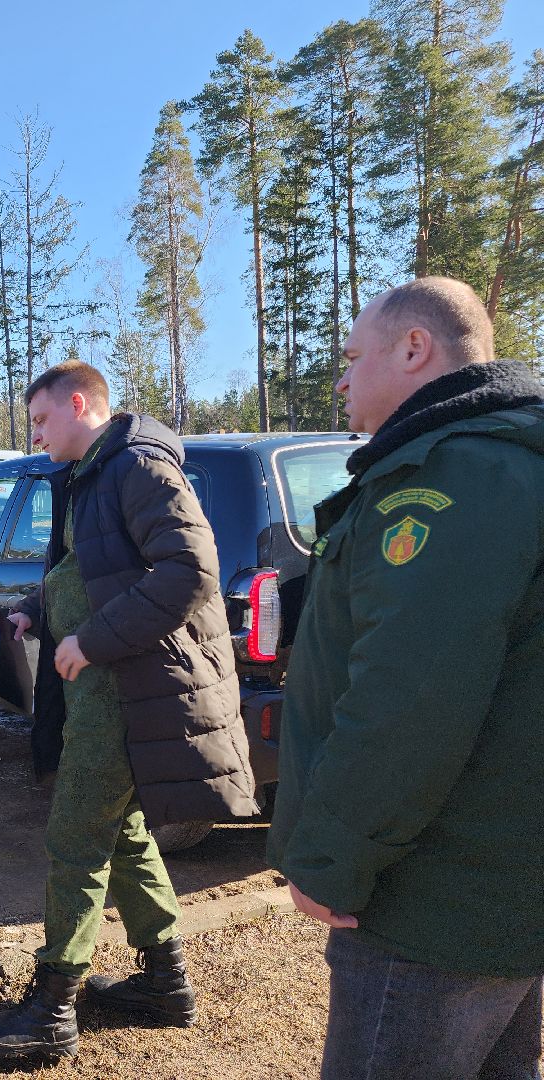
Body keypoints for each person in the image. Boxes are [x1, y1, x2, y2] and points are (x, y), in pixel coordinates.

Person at [267, 277, 544, 1079]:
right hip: (497, 885)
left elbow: (409, 700)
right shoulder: (507, 465)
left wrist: (332, 859)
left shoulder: (456, 476)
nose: (341, 381)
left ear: (415, 348)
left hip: (432, 902)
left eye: (354, 358)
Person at [0, 360, 257, 1058]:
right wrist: (35, 609)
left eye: (42, 420)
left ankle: (52, 1008)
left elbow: (190, 569)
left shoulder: (136, 465)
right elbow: (92, 569)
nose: (36, 436)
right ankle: (165, 982)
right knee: (123, 833)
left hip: (127, 691)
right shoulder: (92, 473)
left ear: (80, 404)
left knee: (76, 838)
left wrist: (92, 640)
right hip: (106, 688)